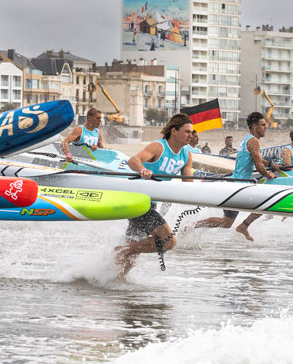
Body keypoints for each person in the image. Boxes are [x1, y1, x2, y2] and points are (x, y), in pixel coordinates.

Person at [114, 113, 194, 276]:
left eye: (192, 132)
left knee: (132, 255)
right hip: (138, 201)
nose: (190, 136)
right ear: (174, 131)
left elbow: (188, 182)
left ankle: (112, 279)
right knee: (168, 241)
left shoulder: (186, 154)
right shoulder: (159, 147)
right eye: (187, 132)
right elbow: (133, 160)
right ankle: (122, 250)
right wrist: (143, 170)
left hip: (152, 204)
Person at [192, 112, 276, 241]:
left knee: (226, 223)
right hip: (239, 186)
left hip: (235, 184)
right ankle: (244, 225)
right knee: (266, 202)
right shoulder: (254, 141)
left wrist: (271, 164)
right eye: (263, 125)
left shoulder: (247, 139)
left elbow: (257, 158)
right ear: (254, 126)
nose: (266, 127)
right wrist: (269, 174)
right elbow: (259, 166)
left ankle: (193, 225)